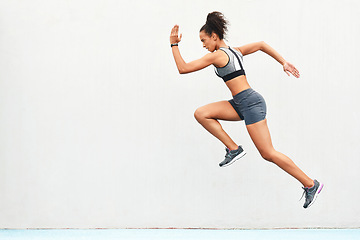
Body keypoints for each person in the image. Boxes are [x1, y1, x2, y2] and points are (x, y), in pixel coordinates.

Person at [170, 11, 323, 208]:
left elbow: (183, 68)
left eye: (203, 40)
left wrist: (173, 44)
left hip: (250, 103)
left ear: (214, 36)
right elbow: (260, 44)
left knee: (268, 153)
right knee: (201, 113)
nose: (203, 45)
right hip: (240, 103)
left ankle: (311, 184)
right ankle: (233, 148)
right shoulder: (235, 51)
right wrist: (283, 62)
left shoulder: (217, 55)